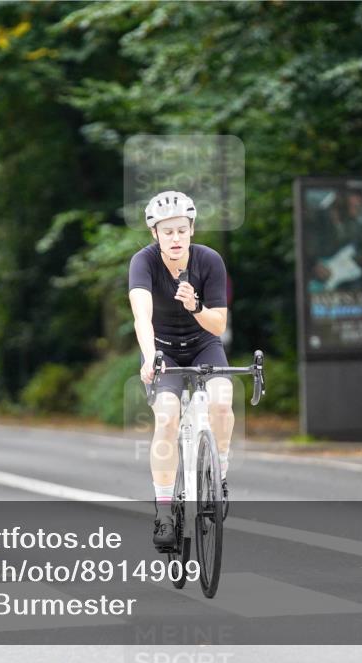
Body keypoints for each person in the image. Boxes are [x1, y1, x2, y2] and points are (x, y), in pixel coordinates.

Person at [128, 191, 234, 551]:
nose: (175, 238)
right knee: (168, 418)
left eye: (181, 231)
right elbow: (142, 316)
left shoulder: (210, 261)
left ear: (192, 230)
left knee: (221, 402)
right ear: (154, 234)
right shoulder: (143, 263)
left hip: (204, 344)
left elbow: (218, 325)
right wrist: (149, 357)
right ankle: (162, 513)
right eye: (167, 231)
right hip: (164, 351)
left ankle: (219, 475)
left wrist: (196, 306)